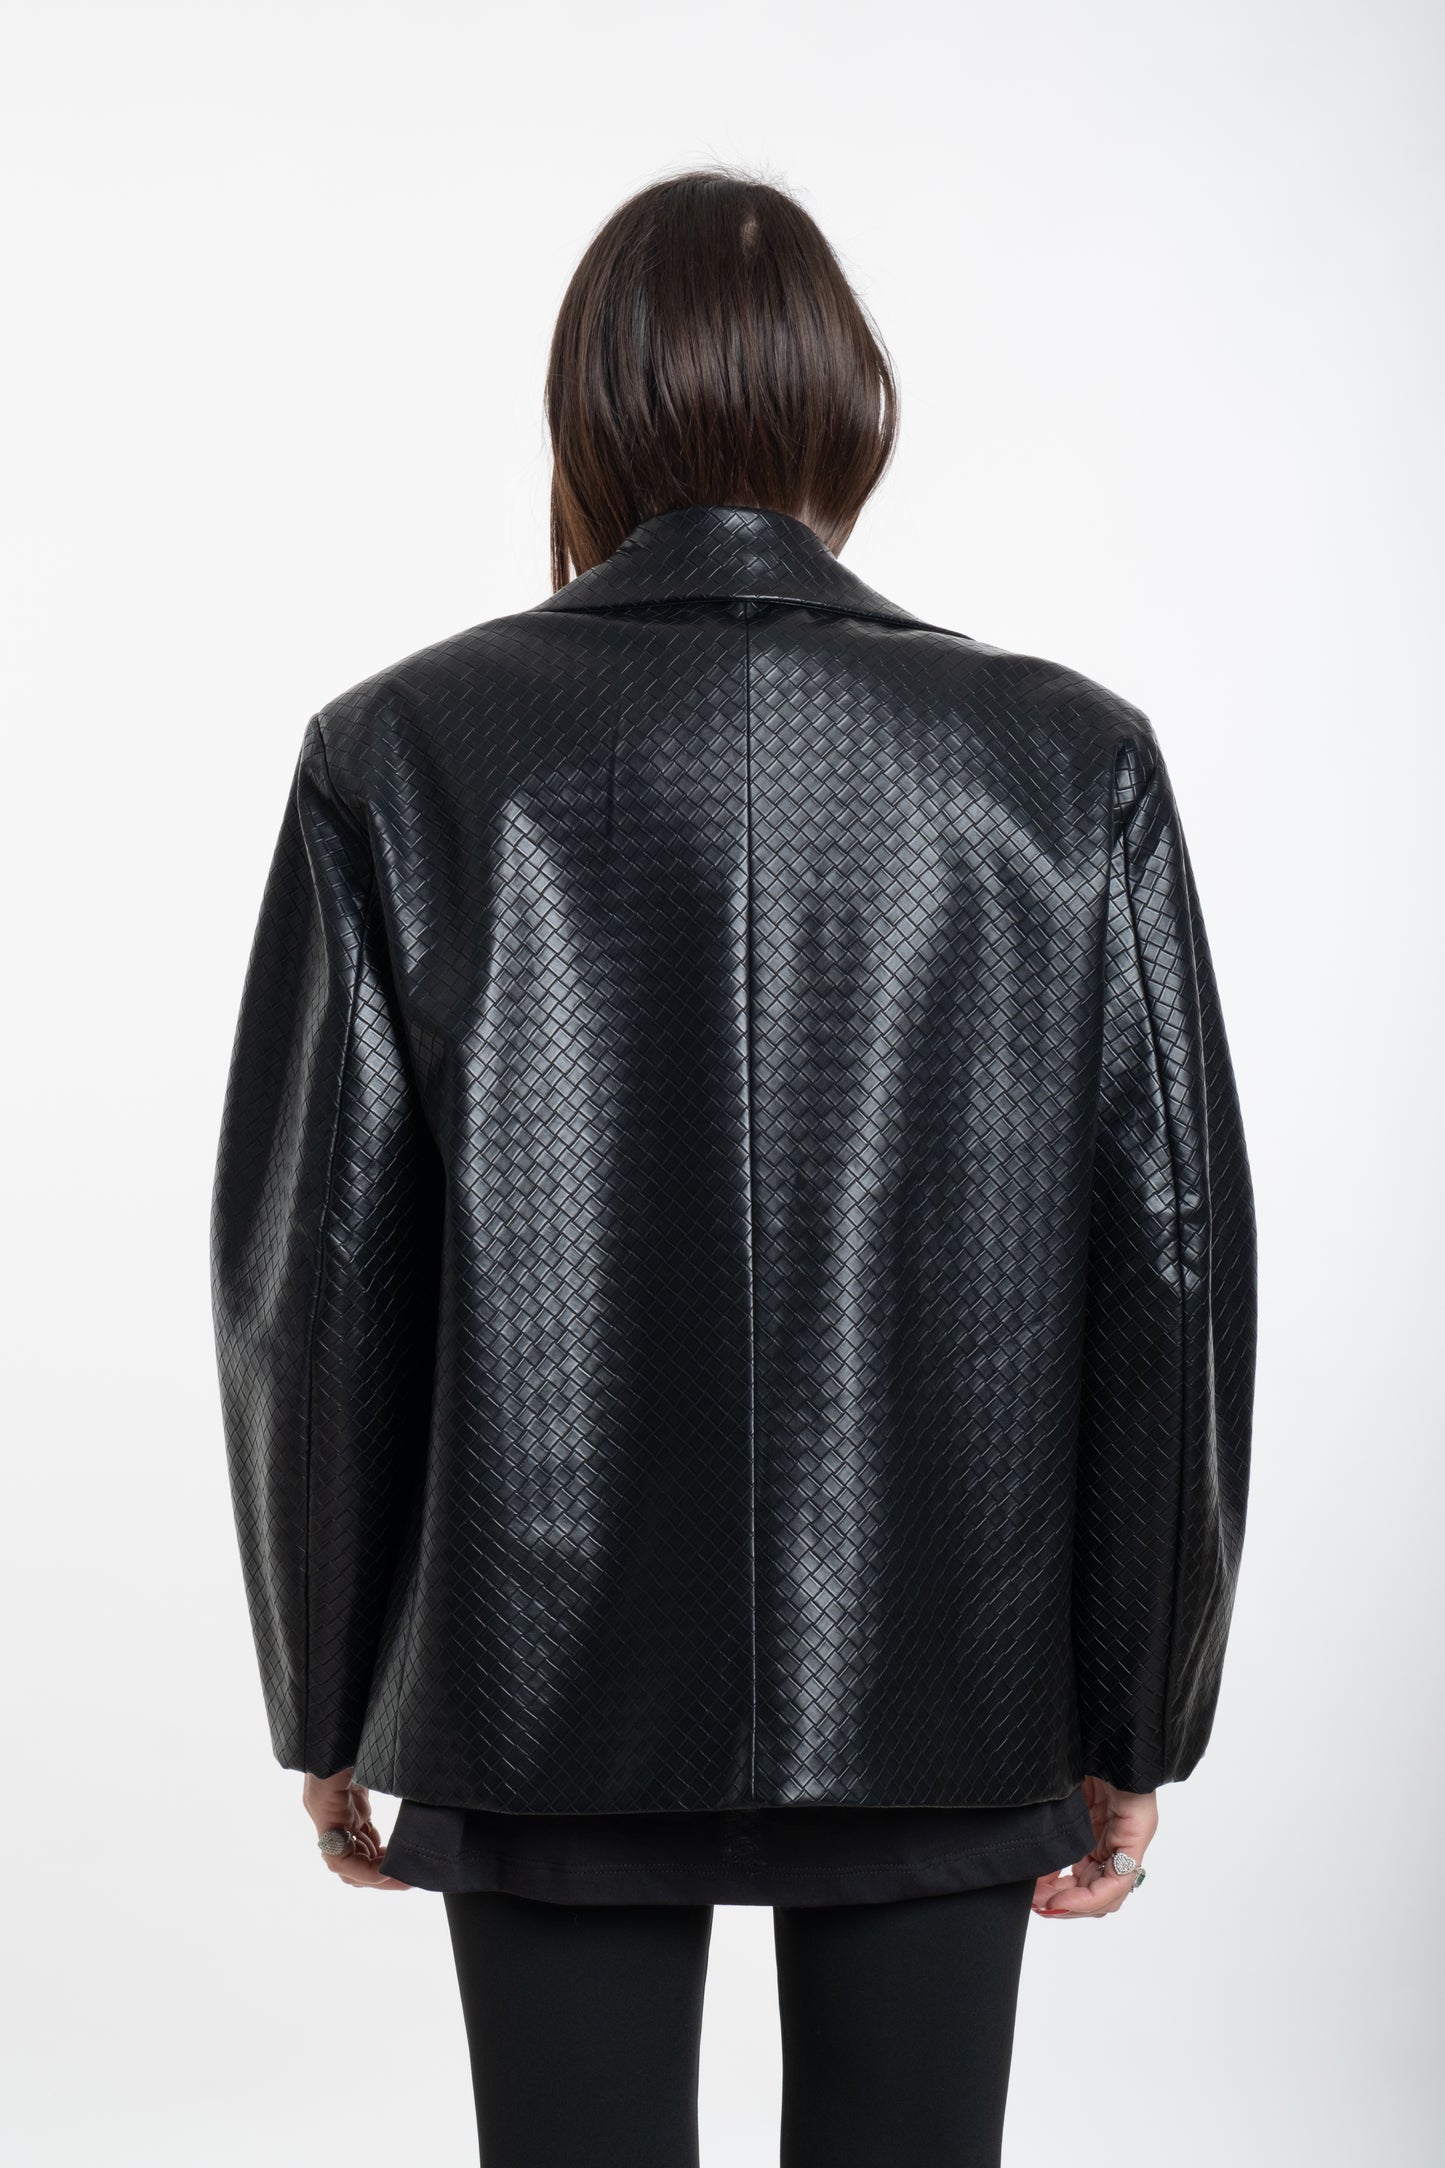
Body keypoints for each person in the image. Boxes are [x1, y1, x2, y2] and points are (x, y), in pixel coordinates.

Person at [211, 168, 1257, 2167]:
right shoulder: (1068, 761)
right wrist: (1138, 1705)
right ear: (854, 411)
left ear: (587, 416)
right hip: (955, 1655)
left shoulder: (405, 751)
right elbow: (1170, 1252)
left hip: (535, 1666)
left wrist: (328, 1687)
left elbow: (319, 1268)